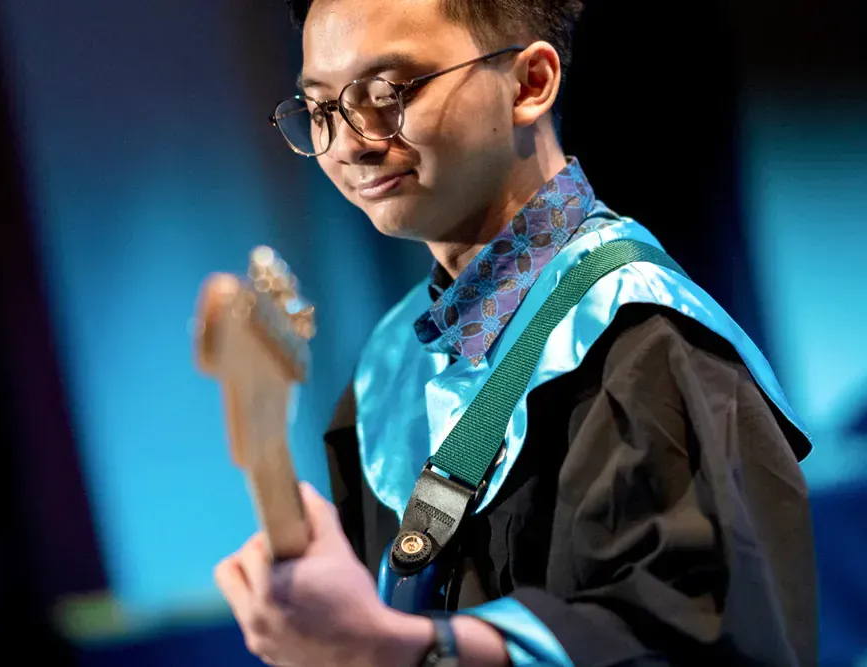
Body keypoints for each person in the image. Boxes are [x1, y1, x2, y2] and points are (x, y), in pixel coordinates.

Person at [214, 1, 818, 665]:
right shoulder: (388, 373)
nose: (353, 142)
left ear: (531, 83)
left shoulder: (645, 344)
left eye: (386, 94)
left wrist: (411, 646)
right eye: (322, 110)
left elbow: (698, 639)